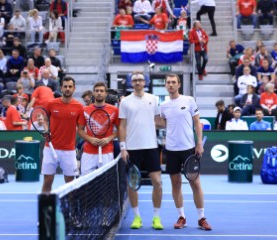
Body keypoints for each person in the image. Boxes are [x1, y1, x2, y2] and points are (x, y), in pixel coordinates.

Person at [158, 73, 212, 230]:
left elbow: (197, 122)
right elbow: (161, 123)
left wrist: (199, 142)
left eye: (173, 82)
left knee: (195, 183)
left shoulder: (189, 100)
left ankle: (201, 218)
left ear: (179, 84)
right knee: (176, 184)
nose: (171, 85)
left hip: (188, 149)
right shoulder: (164, 105)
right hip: (171, 150)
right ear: (165, 85)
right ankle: (182, 217)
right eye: (168, 82)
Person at [119, 72, 163, 230]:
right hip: (132, 148)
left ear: (145, 82)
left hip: (151, 146)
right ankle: (137, 217)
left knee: (157, 183)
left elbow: (159, 121)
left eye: (140, 80)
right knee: (132, 184)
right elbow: (122, 126)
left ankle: (156, 217)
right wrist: (123, 147)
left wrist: (179, 122)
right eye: (135, 80)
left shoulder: (154, 99)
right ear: (131, 83)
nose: (138, 82)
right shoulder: (125, 102)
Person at [41, 76, 84, 193]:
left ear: (74, 88)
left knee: (70, 182)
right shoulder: (51, 104)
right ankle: (46, 208)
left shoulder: (79, 107)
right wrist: (46, 130)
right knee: (48, 180)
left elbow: (80, 129)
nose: (67, 89)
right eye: (65, 86)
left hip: (69, 151)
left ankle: (70, 210)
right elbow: (45, 120)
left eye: (70, 86)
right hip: (50, 148)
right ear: (61, 88)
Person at [78, 82, 119, 175]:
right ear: (93, 93)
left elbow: (121, 129)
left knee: (106, 182)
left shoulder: (114, 110)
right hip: (88, 151)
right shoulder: (85, 110)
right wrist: (90, 139)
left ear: (106, 93)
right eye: (97, 91)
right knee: (85, 182)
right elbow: (80, 130)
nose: (99, 93)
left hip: (107, 151)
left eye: (101, 91)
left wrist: (108, 139)